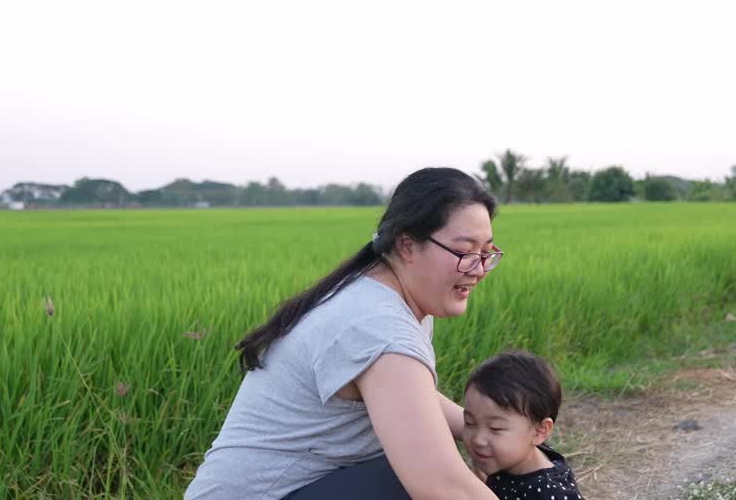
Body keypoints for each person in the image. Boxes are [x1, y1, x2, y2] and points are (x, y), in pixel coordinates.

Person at [184, 168, 504, 500]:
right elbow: (443, 487)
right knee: (412, 476)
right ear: (407, 246)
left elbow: (408, 395)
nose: (479, 269)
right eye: (465, 252)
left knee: (416, 457)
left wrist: (481, 431)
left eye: (486, 253)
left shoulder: (386, 296)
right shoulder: (378, 326)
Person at [462, 351, 584, 500]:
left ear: (540, 431)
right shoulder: (511, 456)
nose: (478, 439)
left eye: (495, 428)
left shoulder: (549, 493)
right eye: (470, 423)